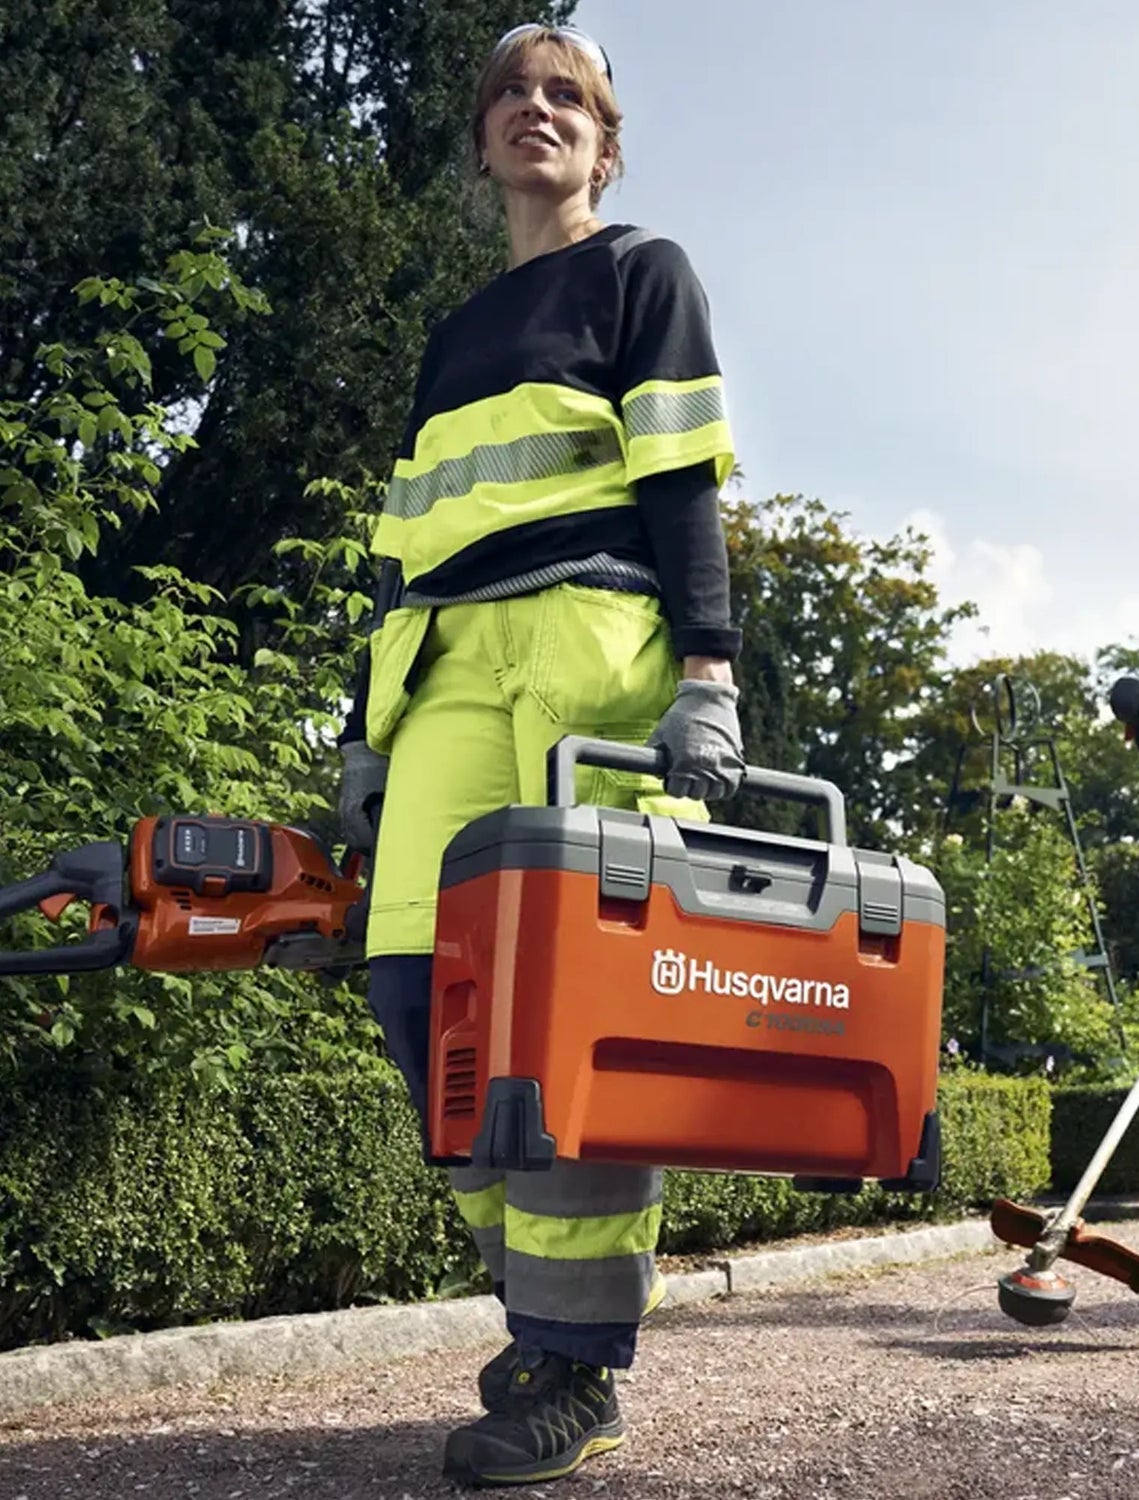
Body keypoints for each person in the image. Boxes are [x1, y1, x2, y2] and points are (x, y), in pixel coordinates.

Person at [334, 23, 744, 1487]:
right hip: (447, 669)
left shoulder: (644, 274)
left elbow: (681, 484)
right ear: (482, 140)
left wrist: (709, 675)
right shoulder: (452, 337)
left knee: (575, 1009)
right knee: (415, 987)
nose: (534, 107)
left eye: (566, 93)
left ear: (606, 146)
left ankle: (570, 1363)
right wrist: (362, 733)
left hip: (594, 652)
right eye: (510, 90)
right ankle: (538, 1302)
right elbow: (402, 548)